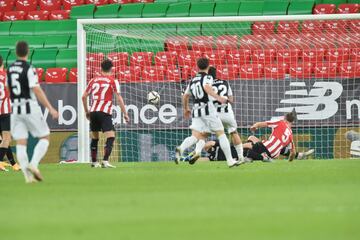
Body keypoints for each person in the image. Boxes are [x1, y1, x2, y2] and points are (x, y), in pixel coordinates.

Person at [7, 41, 59, 183]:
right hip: (29, 107)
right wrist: (50, 108)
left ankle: (28, 178)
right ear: (27, 52)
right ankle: (34, 164)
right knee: (45, 137)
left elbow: (8, 88)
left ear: (16, 52)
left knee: (21, 142)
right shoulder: (29, 68)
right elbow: (36, 89)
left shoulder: (10, 69)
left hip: (15, 109)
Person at [175, 58, 240, 167]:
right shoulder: (208, 77)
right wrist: (219, 97)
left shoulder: (193, 80)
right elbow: (206, 87)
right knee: (221, 133)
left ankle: (180, 149)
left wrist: (186, 108)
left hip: (196, 109)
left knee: (196, 136)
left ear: (197, 66)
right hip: (207, 108)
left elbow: (185, 96)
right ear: (208, 66)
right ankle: (230, 160)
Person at [82, 59, 129, 168]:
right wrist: (125, 113)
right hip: (104, 112)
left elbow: (84, 96)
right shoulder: (113, 81)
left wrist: (87, 111)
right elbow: (119, 98)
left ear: (100, 68)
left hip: (93, 112)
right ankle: (105, 161)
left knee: (95, 138)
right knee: (111, 136)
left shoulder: (93, 80)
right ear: (112, 69)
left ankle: (94, 162)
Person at [203, 138, 314, 162]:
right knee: (251, 147)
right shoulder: (213, 154)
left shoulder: (216, 151)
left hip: (242, 152)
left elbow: (208, 144)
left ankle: (297, 155)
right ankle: (297, 155)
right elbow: (208, 144)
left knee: (253, 144)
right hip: (243, 153)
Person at [0, 55, 20, 172]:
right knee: (6, 139)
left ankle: (13, 164)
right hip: (5, 111)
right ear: (2, 63)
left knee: (3, 139)